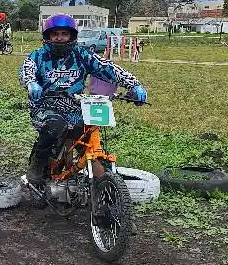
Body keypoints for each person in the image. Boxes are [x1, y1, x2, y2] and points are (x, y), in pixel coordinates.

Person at [19, 13, 147, 194]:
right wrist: (31, 83)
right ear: (48, 36)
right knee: (55, 125)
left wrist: (134, 84)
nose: (59, 38)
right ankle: (37, 166)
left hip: (75, 106)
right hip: (45, 106)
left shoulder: (82, 55)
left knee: (89, 133)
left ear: (72, 36)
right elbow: (27, 70)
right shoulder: (38, 56)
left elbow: (107, 68)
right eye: (55, 34)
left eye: (64, 34)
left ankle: (103, 187)